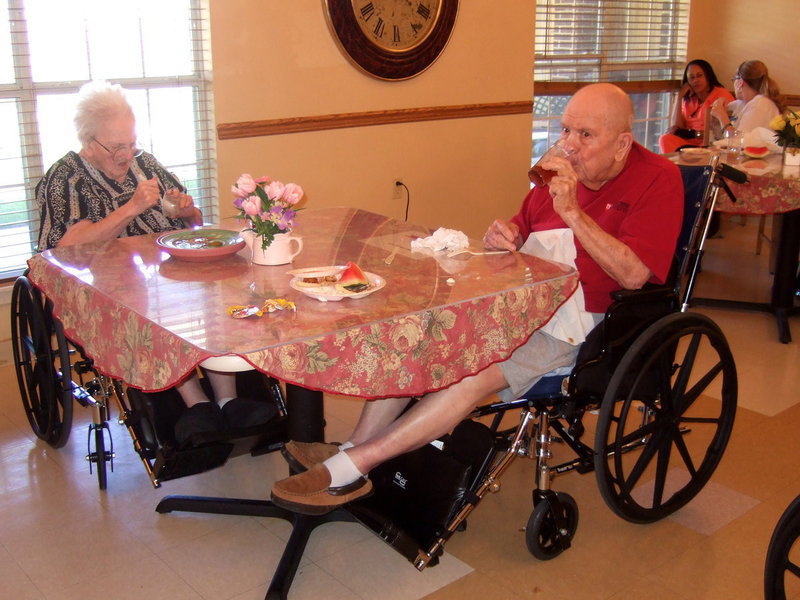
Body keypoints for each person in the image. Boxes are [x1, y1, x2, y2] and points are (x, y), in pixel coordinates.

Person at [270, 83, 684, 515]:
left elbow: (636, 274)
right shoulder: (556, 176)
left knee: (472, 374)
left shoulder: (659, 179)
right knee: (423, 337)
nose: (568, 146)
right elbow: (522, 227)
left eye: (585, 135)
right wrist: (504, 236)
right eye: (565, 130)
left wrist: (574, 213)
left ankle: (352, 466)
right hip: (526, 302)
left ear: (621, 144)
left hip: (586, 324)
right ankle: (354, 447)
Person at [35, 80, 275, 443]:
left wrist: (186, 209)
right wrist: (132, 207)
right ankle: (196, 404)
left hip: (170, 268)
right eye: (116, 146)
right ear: (88, 141)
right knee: (153, 309)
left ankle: (228, 400)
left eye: (131, 143)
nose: (127, 154)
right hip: (107, 282)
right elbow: (67, 249)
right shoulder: (65, 178)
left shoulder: (145, 164)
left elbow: (194, 222)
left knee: (215, 292)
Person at [659, 59, 734, 153]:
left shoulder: (722, 95)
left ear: (708, 76)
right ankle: (676, 167)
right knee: (665, 139)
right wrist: (680, 97)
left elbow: (722, 132)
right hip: (689, 143)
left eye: (699, 76)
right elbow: (677, 128)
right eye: (691, 77)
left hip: (710, 145)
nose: (696, 80)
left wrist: (694, 134)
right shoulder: (689, 98)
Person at [710, 59, 784, 136]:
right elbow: (715, 126)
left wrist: (722, 117)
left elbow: (739, 142)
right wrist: (719, 102)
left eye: (734, 79)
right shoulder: (742, 103)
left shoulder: (760, 104)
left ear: (740, 82)